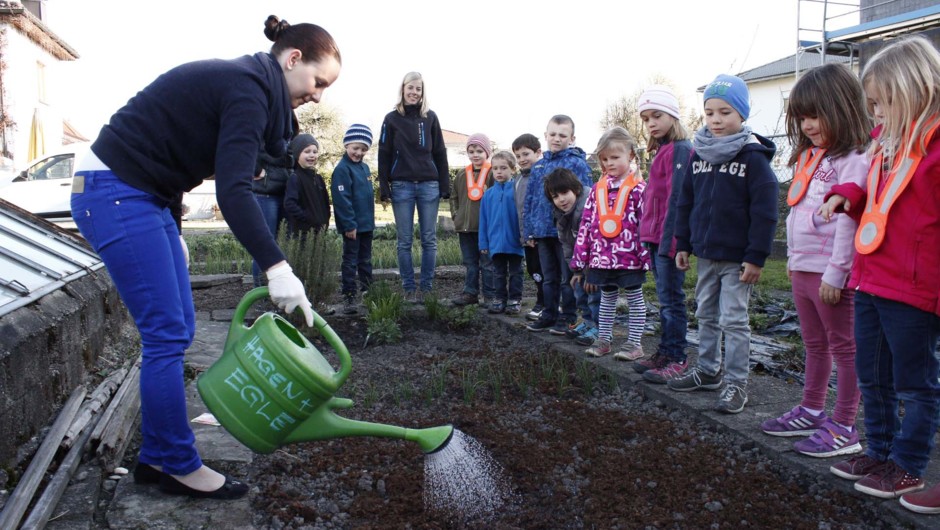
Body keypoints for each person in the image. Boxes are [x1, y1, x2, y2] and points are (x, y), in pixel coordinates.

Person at [70, 15, 341, 500]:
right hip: (115, 192)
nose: (319, 94)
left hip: (140, 195)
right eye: (318, 81)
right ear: (293, 59)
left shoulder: (253, 86)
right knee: (166, 334)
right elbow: (234, 192)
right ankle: (177, 463)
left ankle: (156, 457)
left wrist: (171, 226)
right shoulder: (247, 88)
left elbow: (170, 149)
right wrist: (278, 267)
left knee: (177, 330)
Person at [819, 36, 940, 509]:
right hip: (870, 279)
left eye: (880, 102)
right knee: (874, 376)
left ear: (912, 90)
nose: (874, 114)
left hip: (914, 287)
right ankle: (880, 453)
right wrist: (847, 193)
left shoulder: (931, 150)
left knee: (915, 382)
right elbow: (871, 188)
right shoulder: (885, 147)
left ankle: (908, 465)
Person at [759, 63, 869, 458]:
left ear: (842, 107)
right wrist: (792, 260)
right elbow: (799, 211)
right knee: (813, 344)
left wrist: (837, 273)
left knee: (845, 348)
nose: (807, 124)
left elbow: (848, 222)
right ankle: (811, 408)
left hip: (829, 274)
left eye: (815, 114)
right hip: (803, 268)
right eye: (802, 116)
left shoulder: (852, 158)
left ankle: (843, 424)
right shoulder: (810, 156)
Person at [667, 74, 779, 415]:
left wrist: (756, 256)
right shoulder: (698, 155)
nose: (716, 120)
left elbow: (765, 211)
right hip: (706, 254)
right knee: (705, 314)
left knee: (734, 319)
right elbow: (686, 202)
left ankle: (736, 383)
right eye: (710, 113)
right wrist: (683, 243)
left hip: (738, 259)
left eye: (725, 112)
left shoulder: (752, 158)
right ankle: (707, 370)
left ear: (742, 115)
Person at [569, 128, 650, 361]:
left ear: (631, 155)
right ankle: (604, 339)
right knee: (606, 299)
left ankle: (635, 344)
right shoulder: (596, 190)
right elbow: (586, 224)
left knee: (635, 298)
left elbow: (645, 223)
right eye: (604, 159)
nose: (609, 163)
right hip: (602, 258)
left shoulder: (639, 189)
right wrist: (580, 259)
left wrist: (647, 257)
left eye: (615, 157)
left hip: (630, 258)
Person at [632, 85, 694, 383]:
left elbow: (677, 199)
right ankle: (665, 351)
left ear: (672, 115)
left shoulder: (680, 150)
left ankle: (677, 355)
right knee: (664, 299)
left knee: (672, 300)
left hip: (667, 240)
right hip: (655, 238)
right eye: (646, 119)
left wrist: (673, 242)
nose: (651, 123)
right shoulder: (662, 151)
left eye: (656, 116)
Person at [378, 72, 450, 302]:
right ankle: (409, 288)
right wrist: (384, 185)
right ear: (403, 89)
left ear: (422, 92)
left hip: (429, 185)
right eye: (410, 88)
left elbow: (439, 152)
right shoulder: (391, 119)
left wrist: (444, 183)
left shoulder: (430, 118)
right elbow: (384, 154)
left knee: (429, 238)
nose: (414, 92)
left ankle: (427, 287)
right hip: (402, 186)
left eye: (418, 89)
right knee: (404, 240)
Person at [522, 115, 594, 334]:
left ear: (572, 138)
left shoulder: (577, 164)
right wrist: (528, 230)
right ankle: (549, 313)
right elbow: (530, 199)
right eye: (552, 134)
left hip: (567, 232)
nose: (557, 139)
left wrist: (583, 230)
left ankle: (568, 316)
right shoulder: (538, 166)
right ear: (545, 135)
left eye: (562, 135)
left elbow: (586, 198)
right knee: (548, 277)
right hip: (542, 231)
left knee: (567, 278)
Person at [331, 124, 375, 315]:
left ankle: (368, 292)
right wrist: (349, 224)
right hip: (353, 227)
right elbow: (342, 200)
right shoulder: (342, 169)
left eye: (363, 149)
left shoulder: (364, 168)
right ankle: (349, 296)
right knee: (350, 261)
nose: (359, 152)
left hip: (366, 225)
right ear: (346, 146)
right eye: (355, 148)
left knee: (365, 260)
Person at [451, 133, 495, 306]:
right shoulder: (462, 174)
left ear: (487, 152)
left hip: (485, 228)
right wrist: (456, 215)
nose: (475, 155)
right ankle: (470, 293)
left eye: (479, 151)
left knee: (487, 263)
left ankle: (490, 295)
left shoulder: (493, 173)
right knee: (470, 263)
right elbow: (453, 197)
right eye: (471, 151)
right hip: (465, 228)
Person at [479, 151, 524, 314]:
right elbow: (483, 220)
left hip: (515, 241)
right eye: (495, 168)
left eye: (503, 168)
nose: (499, 172)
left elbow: (522, 216)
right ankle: (499, 299)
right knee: (497, 273)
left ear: (513, 169)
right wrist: (483, 243)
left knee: (515, 272)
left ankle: (515, 299)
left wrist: (524, 237)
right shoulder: (488, 195)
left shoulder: (518, 191)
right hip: (496, 243)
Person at [511, 133, 545, 320]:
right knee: (533, 269)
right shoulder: (517, 180)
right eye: (518, 156)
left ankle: (545, 302)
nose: (522, 159)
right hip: (526, 235)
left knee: (543, 270)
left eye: (526, 154)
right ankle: (544, 301)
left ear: (538, 152)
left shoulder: (541, 176)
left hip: (540, 235)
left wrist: (534, 233)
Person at [250, 147, 293, 286]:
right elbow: (246, 148)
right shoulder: (263, 128)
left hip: (284, 192)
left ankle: (280, 289)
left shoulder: (287, 130)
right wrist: (256, 170)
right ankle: (260, 292)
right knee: (264, 244)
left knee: (285, 243)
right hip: (265, 193)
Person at [284, 133, 331, 236]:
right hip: (303, 234)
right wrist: (308, 217)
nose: (312, 155)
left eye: (315, 151)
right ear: (297, 154)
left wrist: (326, 219)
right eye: (307, 151)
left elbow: (325, 203)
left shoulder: (318, 178)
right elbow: (290, 204)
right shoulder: (295, 178)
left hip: (319, 232)